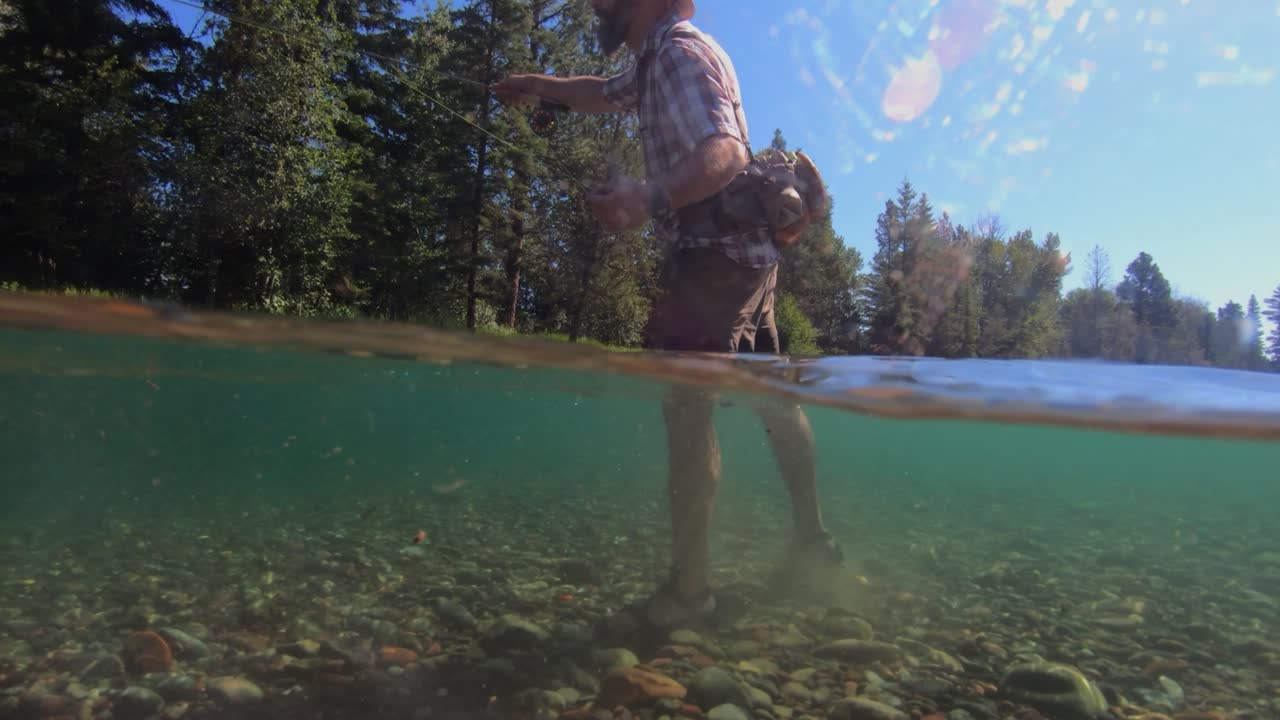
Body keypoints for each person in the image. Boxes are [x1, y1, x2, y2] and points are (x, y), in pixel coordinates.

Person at [495, 0, 845, 629]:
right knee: (775, 401)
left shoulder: (679, 54)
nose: (598, 5)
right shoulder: (655, 59)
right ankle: (812, 541)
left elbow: (727, 153)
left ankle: (688, 595)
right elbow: (602, 92)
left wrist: (650, 197)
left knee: (687, 410)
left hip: (714, 262)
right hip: (748, 257)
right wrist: (541, 87)